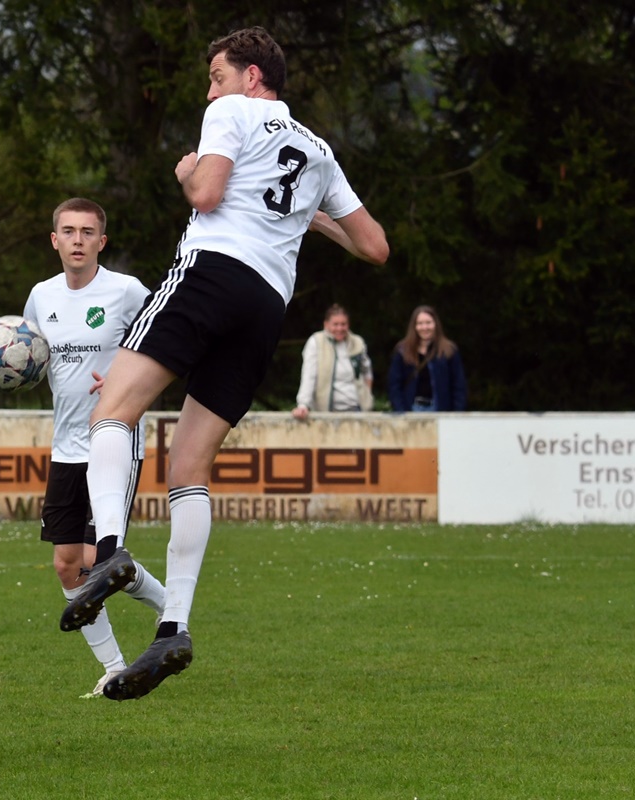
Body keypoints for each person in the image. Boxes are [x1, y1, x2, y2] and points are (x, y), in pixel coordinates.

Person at [60, 26, 389, 701]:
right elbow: (375, 246)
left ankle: (113, 550)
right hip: (268, 304)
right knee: (189, 468)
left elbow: (206, 194)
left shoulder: (231, 111)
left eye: (217, 74)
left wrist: (187, 172)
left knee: (112, 408)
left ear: (253, 78)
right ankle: (173, 626)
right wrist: (310, 215)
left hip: (212, 273)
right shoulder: (317, 151)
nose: (209, 88)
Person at [24, 198, 166, 698]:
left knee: (93, 559)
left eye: (88, 232)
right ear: (55, 240)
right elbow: (29, 356)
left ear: (101, 242)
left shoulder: (127, 291)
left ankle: (175, 616)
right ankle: (114, 666)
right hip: (65, 447)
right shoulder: (41, 296)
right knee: (68, 563)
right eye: (69, 231)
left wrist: (130, 377)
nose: (78, 239)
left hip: (115, 439)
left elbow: (170, 340)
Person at [291, 303, 373, 420]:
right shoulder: (316, 342)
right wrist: (303, 404)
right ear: (326, 324)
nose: (339, 328)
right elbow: (309, 376)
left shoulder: (358, 342)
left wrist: (367, 397)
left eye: (343, 324)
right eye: (335, 324)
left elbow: (367, 372)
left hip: (356, 409)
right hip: (326, 411)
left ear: (348, 325)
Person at [387, 304, 468, 412]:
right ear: (414, 326)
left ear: (435, 324)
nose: (424, 327)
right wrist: (401, 411)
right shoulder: (402, 351)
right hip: (411, 410)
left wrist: (456, 414)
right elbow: (394, 385)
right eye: (420, 323)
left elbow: (459, 386)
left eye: (428, 323)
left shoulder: (449, 350)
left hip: (440, 411)